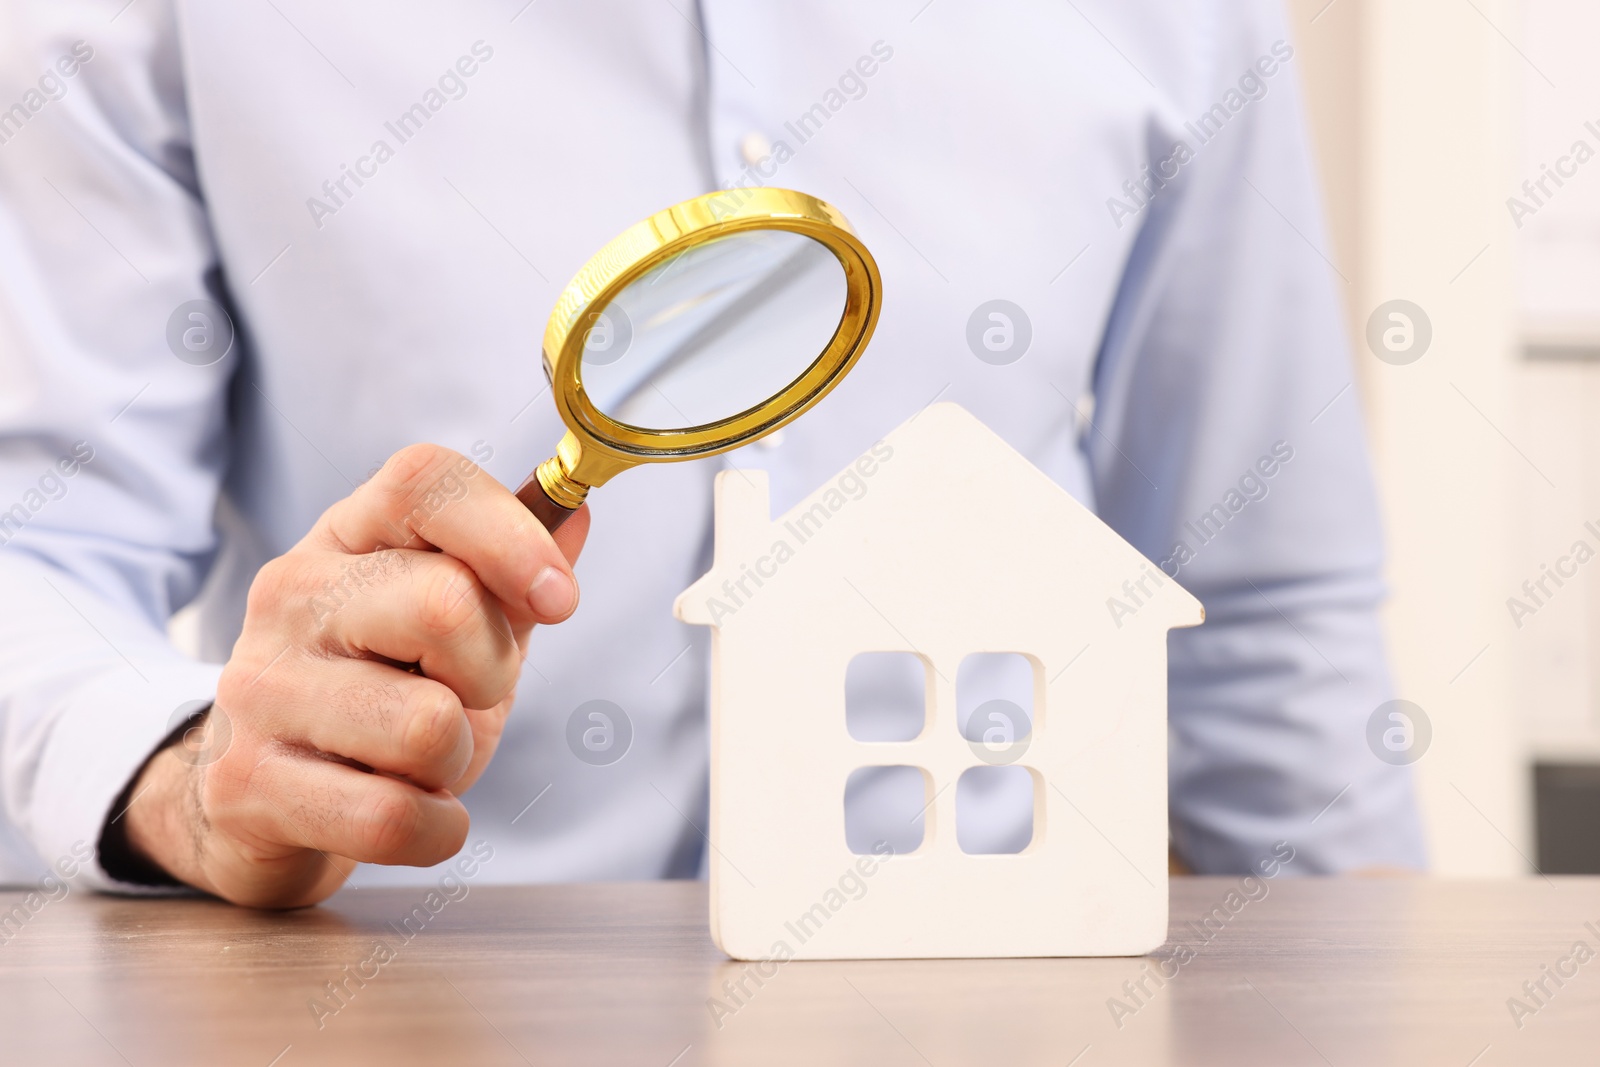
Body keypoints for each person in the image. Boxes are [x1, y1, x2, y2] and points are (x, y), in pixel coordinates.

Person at [0, 0, 1423, 907]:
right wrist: (189, 779)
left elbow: (1265, 624)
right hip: (409, 1008)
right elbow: (37, 546)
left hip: (998, 1005)